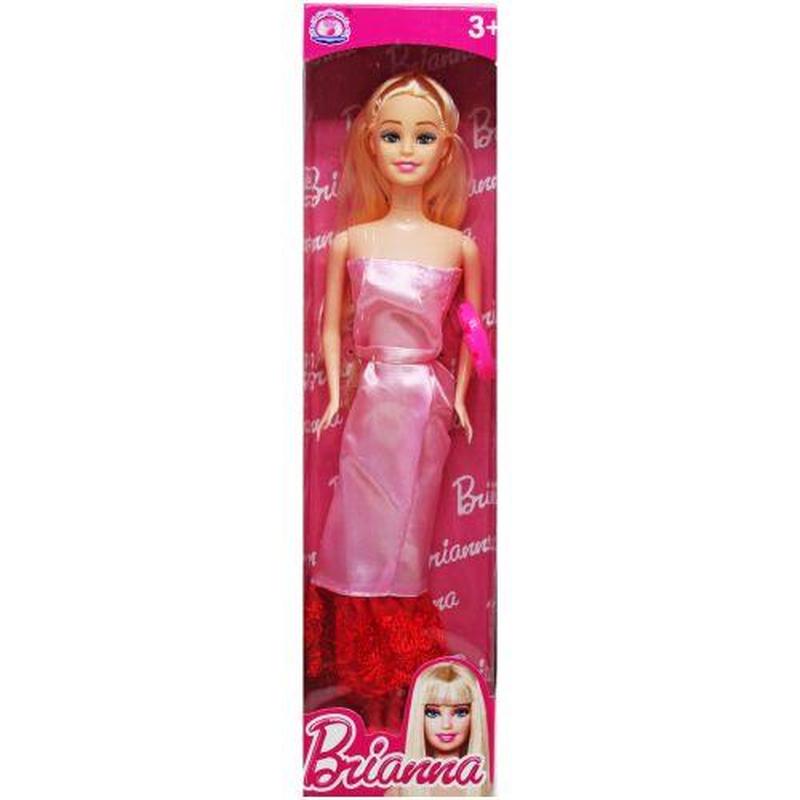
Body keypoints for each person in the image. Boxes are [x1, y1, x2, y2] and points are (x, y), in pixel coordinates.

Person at [305, 72, 482, 732]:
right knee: (353, 530)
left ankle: (398, 677)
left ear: (446, 149)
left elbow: (471, 329)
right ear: (370, 144)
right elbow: (330, 325)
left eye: (424, 136)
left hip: (423, 404)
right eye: (392, 135)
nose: (407, 149)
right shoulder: (351, 240)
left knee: (406, 542)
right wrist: (335, 393)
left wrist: (459, 398)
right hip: (372, 397)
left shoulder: (459, 246)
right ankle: (349, 672)